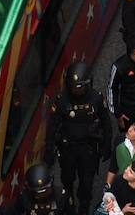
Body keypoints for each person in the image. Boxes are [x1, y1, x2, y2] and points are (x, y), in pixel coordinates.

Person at [47, 63, 110, 214]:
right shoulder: (61, 100)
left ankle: (83, 208)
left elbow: (106, 123)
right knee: (67, 179)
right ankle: (68, 203)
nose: (77, 90)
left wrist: (107, 145)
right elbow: (52, 126)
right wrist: (49, 149)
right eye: (74, 86)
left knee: (86, 182)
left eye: (80, 86)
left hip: (88, 149)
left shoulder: (96, 98)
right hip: (67, 147)